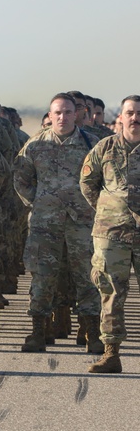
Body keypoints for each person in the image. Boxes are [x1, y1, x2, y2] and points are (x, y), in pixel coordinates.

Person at [14, 93, 101, 354]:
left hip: (81, 224)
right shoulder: (34, 145)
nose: (62, 117)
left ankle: (92, 333)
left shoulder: (91, 145)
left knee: (87, 277)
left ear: (77, 114)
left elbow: (102, 181)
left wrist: (91, 207)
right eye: (57, 113)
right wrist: (40, 203)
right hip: (45, 225)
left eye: (67, 112)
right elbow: (21, 179)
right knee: (42, 278)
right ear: (50, 116)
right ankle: (38, 331)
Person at [80, 94, 140, 373]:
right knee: (111, 292)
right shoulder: (104, 147)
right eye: (130, 113)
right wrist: (108, 209)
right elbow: (88, 183)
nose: (135, 118)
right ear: (121, 116)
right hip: (111, 233)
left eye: (139, 114)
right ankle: (111, 353)